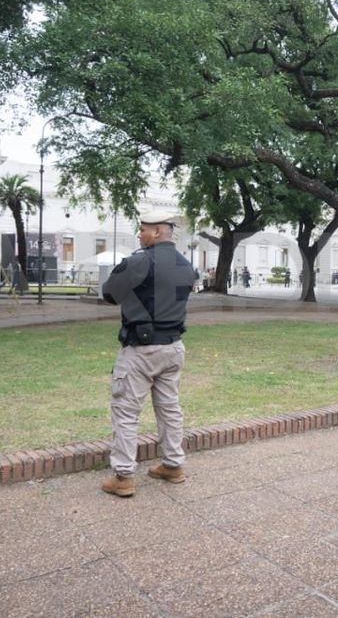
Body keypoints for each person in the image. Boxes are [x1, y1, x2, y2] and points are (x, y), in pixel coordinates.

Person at [99, 210, 199, 497]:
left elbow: (109, 293)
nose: (139, 235)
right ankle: (173, 464)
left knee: (126, 411)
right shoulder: (185, 264)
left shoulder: (141, 260)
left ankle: (123, 476)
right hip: (173, 348)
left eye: (143, 229)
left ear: (156, 232)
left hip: (142, 351)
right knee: (170, 409)